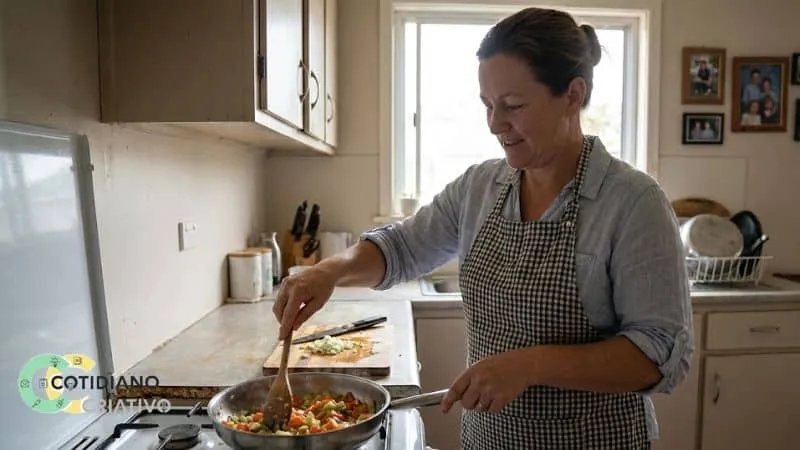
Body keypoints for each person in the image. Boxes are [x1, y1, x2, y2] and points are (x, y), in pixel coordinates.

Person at [273, 7, 693, 449]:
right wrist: (330, 271)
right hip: (488, 440)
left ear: (573, 95)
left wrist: (530, 366)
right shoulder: (480, 187)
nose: (495, 124)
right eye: (488, 106)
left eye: (513, 106)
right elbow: (401, 249)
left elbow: (658, 355)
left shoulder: (632, 202)